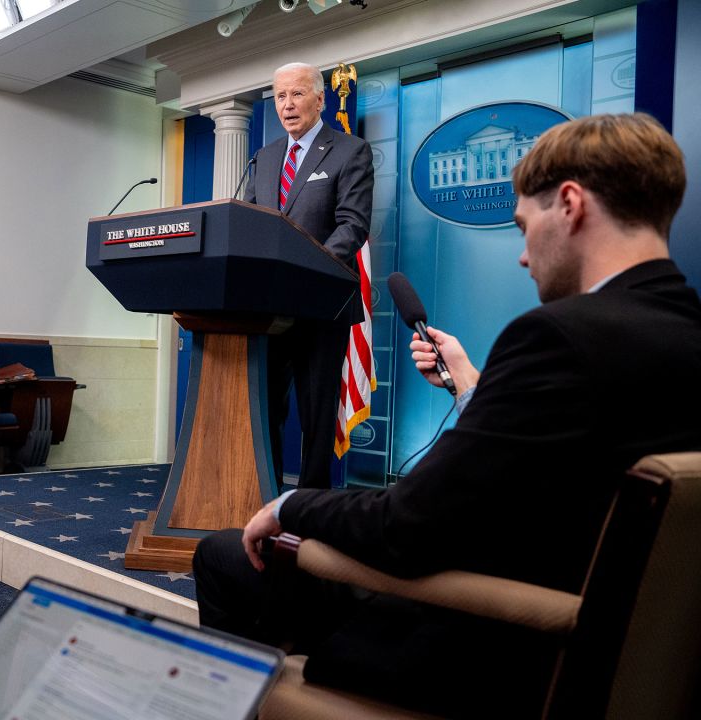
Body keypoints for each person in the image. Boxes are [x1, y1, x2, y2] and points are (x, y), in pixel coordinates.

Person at [195, 113, 701, 717]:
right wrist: (472, 388)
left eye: (523, 225)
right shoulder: (680, 333)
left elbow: (405, 529)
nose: (522, 256)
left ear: (569, 204)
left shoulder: (556, 337)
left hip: (492, 647)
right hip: (619, 645)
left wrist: (288, 505)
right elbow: (574, 454)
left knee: (225, 554)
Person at [243, 61, 374, 490]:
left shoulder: (350, 151)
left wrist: (300, 270)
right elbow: (250, 227)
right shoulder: (263, 159)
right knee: (267, 412)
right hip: (268, 310)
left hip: (321, 307)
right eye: (280, 96)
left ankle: (310, 507)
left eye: (297, 94)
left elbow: (352, 226)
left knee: (317, 414)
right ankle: (269, 496)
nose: (287, 104)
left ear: (320, 98)